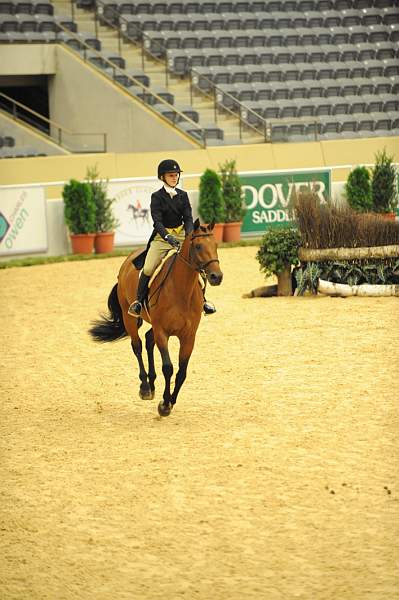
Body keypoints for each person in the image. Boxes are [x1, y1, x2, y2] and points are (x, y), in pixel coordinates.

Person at [128, 159, 217, 317]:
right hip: (162, 238)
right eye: (171, 175)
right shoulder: (156, 197)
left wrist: (189, 235)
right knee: (148, 268)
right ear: (162, 177)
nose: (175, 177)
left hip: (182, 235)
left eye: (176, 175)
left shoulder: (183, 195)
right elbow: (157, 222)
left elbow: (188, 218)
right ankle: (138, 302)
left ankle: (203, 301)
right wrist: (167, 236)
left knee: (200, 265)